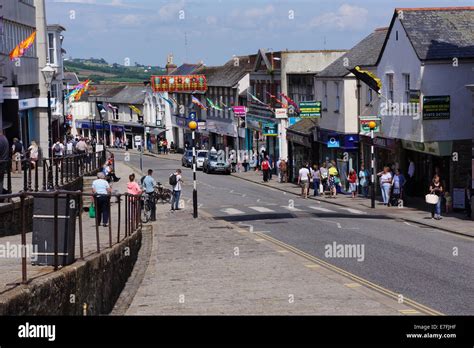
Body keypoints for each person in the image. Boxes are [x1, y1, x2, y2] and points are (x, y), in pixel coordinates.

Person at [0, 129, 9, 195]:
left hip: (1, 162)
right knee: (0, 180)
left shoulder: (0, 139)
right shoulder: (4, 139)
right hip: (3, 162)